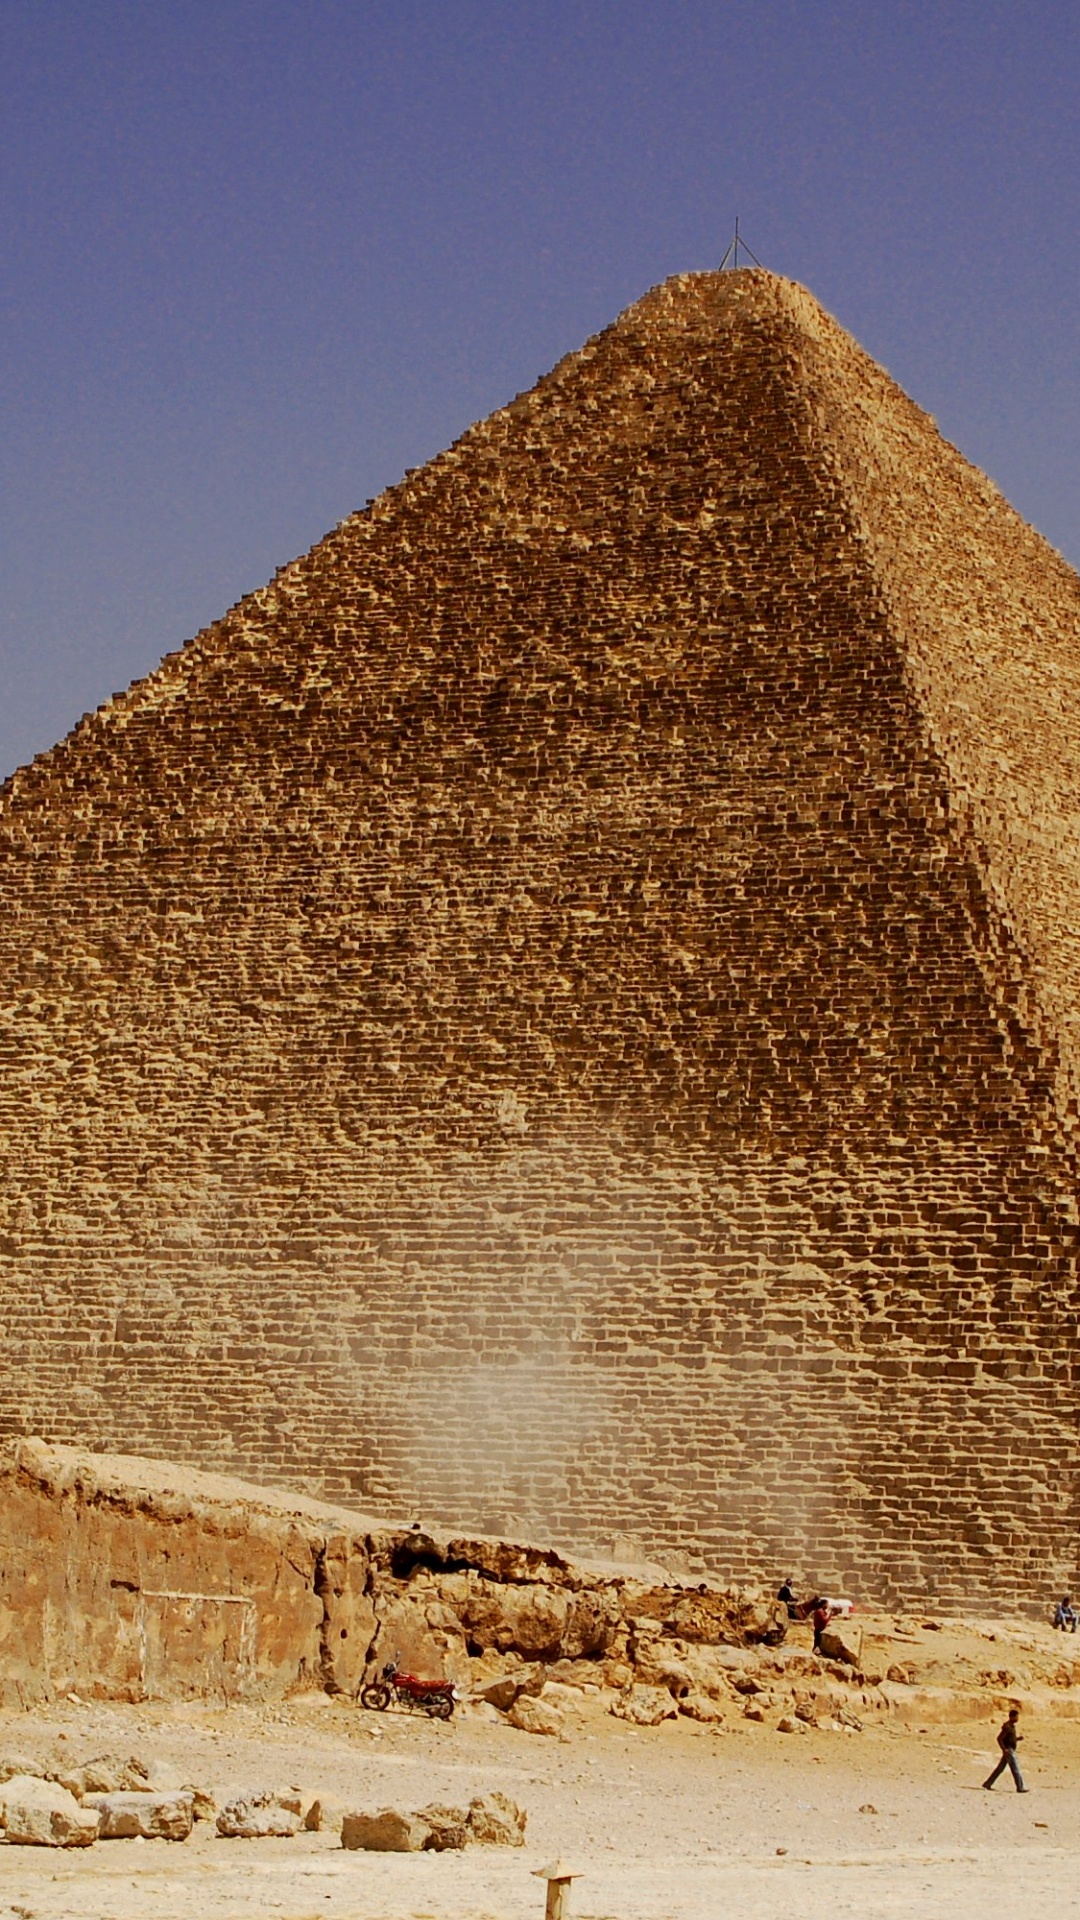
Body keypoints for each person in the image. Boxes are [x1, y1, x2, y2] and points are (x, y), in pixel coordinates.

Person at [983, 1708, 1026, 1792]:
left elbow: (1010, 1739)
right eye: (1016, 1717)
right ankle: (1020, 1787)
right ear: (1011, 1717)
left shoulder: (1011, 1727)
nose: (1018, 1719)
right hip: (1009, 1751)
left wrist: (1017, 1739)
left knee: (1000, 1769)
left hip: (1009, 1750)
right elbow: (999, 1738)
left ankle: (988, 1784)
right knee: (1015, 1769)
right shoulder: (1007, 1727)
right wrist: (1004, 1749)